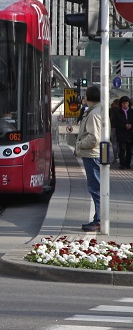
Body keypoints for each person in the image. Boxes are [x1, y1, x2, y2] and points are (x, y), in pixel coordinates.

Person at [75, 85, 104, 232]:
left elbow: (94, 138)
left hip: (92, 154)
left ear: (89, 97)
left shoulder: (93, 114)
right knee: (97, 187)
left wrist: (79, 144)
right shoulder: (96, 110)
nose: (83, 98)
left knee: (95, 187)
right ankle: (99, 218)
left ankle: (99, 220)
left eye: (85, 95)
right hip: (94, 154)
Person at [111, 95, 133, 171]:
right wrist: (124, 125)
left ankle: (128, 164)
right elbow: (114, 122)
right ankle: (122, 164)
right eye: (123, 103)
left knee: (129, 150)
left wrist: (131, 125)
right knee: (122, 149)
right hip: (121, 133)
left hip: (130, 133)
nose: (125, 105)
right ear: (121, 104)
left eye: (126, 103)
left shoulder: (131, 112)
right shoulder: (118, 112)